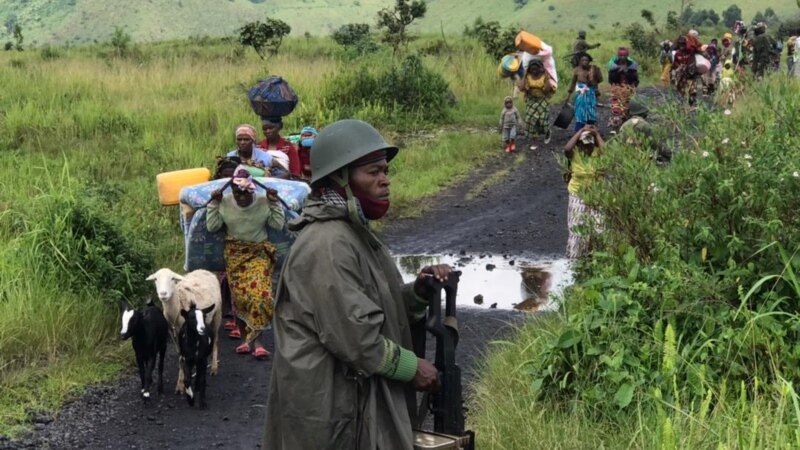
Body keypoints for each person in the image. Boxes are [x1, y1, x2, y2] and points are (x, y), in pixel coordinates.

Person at [263, 119, 451, 449]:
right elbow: (356, 337)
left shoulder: (353, 233)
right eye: (373, 172)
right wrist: (412, 367)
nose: (385, 181)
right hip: (331, 410)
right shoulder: (327, 244)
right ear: (340, 180)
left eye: (385, 171)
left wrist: (416, 295)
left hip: (352, 401)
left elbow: (373, 304)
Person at [206, 169, 285, 359]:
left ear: (252, 190)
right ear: (231, 192)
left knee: (261, 296)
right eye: (237, 193)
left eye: (245, 193)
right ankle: (245, 341)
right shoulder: (224, 203)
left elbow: (278, 224)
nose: (241, 197)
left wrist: (274, 203)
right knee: (240, 299)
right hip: (234, 255)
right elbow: (212, 226)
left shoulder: (263, 201)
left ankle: (257, 341)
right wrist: (213, 204)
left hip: (258, 253)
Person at [564, 126, 604, 259]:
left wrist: (597, 134)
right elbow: (567, 149)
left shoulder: (597, 153)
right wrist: (580, 132)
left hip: (595, 194)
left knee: (598, 227)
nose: (587, 148)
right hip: (577, 194)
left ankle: (595, 257)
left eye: (590, 145)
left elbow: (608, 153)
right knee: (577, 227)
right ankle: (576, 258)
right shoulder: (575, 154)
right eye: (584, 145)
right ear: (579, 144)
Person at [517, 59, 553, 149]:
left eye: (536, 69)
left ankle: (547, 131)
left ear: (540, 68)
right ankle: (535, 142)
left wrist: (547, 77)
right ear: (529, 69)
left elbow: (548, 90)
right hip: (531, 100)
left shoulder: (544, 76)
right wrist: (524, 76)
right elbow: (521, 88)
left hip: (542, 100)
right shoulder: (528, 76)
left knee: (543, 120)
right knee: (532, 121)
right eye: (532, 69)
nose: (534, 70)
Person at [565, 52, 603, 131]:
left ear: (589, 61)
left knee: (591, 111)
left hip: (590, 93)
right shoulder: (577, 70)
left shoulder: (594, 69)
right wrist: (568, 96)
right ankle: (579, 129)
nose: (584, 62)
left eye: (586, 60)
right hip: (580, 94)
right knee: (579, 110)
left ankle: (591, 129)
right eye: (583, 60)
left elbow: (599, 80)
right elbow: (573, 83)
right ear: (580, 62)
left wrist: (596, 74)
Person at [606, 48, 639, 132]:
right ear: (618, 56)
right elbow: (611, 79)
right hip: (617, 90)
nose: (622, 57)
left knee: (628, 109)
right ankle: (616, 128)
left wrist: (626, 71)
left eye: (624, 55)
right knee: (616, 109)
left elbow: (635, 79)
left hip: (628, 90)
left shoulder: (631, 65)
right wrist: (618, 71)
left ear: (627, 56)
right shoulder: (613, 65)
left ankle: (627, 128)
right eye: (621, 55)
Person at [672, 36, 700, 107]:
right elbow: (675, 64)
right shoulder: (677, 54)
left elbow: (696, 48)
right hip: (682, 75)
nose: (681, 46)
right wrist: (678, 68)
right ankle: (683, 105)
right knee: (681, 90)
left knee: (692, 90)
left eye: (683, 44)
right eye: (680, 44)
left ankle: (693, 104)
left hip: (691, 73)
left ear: (685, 44)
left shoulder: (690, 50)